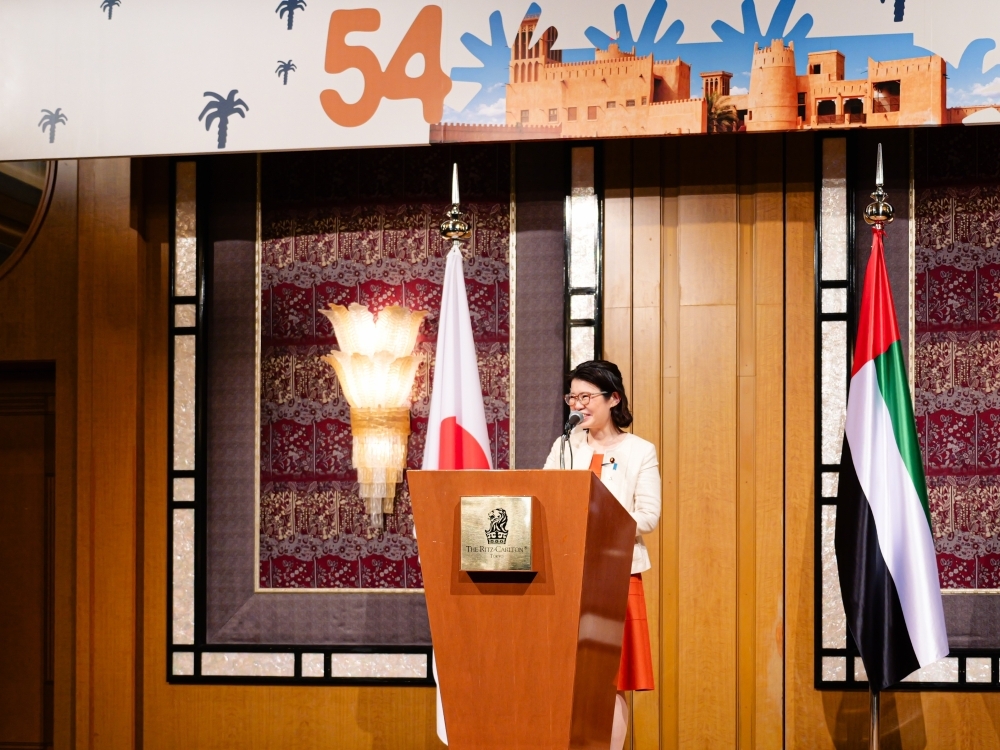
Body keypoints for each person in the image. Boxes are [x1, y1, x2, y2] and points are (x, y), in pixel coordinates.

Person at [543, 360, 661, 750]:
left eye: (586, 396)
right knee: (568, 678)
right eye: (572, 396)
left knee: (611, 680)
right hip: (568, 575)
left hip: (616, 576)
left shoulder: (639, 450)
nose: (578, 404)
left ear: (613, 398)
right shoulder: (564, 446)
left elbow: (648, 515)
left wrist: (603, 516)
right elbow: (545, 499)